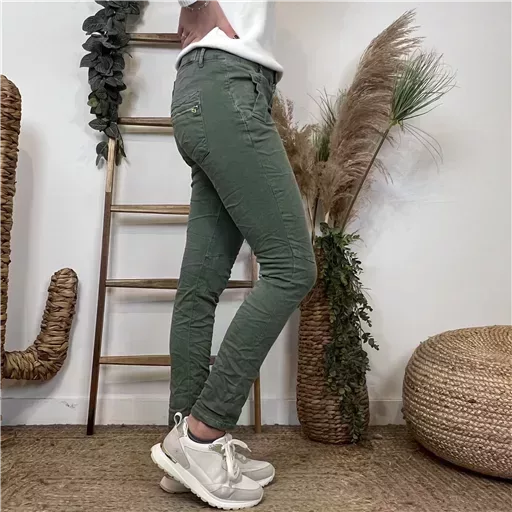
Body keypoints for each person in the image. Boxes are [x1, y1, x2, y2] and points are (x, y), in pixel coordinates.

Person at [151, 0, 317, 508]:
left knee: (201, 285)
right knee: (292, 267)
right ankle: (203, 432)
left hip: (208, 88)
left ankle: (183, 448)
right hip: (227, 85)